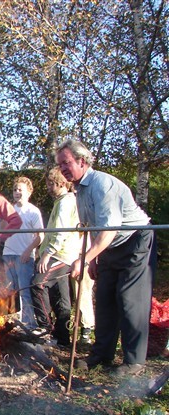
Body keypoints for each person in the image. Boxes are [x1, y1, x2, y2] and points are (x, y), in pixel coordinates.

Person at [56, 139, 156, 376]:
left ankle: (134, 362)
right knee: (104, 298)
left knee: (130, 301)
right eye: (60, 165)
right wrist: (94, 260)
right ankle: (101, 355)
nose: (63, 169)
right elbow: (92, 229)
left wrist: (85, 259)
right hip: (109, 246)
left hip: (135, 241)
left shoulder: (103, 185)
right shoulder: (79, 190)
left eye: (66, 163)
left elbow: (109, 230)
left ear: (82, 160)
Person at [30, 168, 81, 347]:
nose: (48, 188)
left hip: (61, 254)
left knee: (37, 283)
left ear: (60, 183)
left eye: (51, 184)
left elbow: (61, 231)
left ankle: (46, 329)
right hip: (62, 253)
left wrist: (47, 254)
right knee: (61, 297)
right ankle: (62, 339)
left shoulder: (66, 202)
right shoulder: (63, 201)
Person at [2, 177, 43, 330]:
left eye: (20, 190)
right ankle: (13, 322)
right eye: (15, 189)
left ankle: (28, 324)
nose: (17, 192)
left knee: (24, 291)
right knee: (10, 291)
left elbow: (40, 236)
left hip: (24, 256)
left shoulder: (33, 211)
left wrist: (28, 251)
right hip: (8, 254)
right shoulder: (10, 210)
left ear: (29, 192)